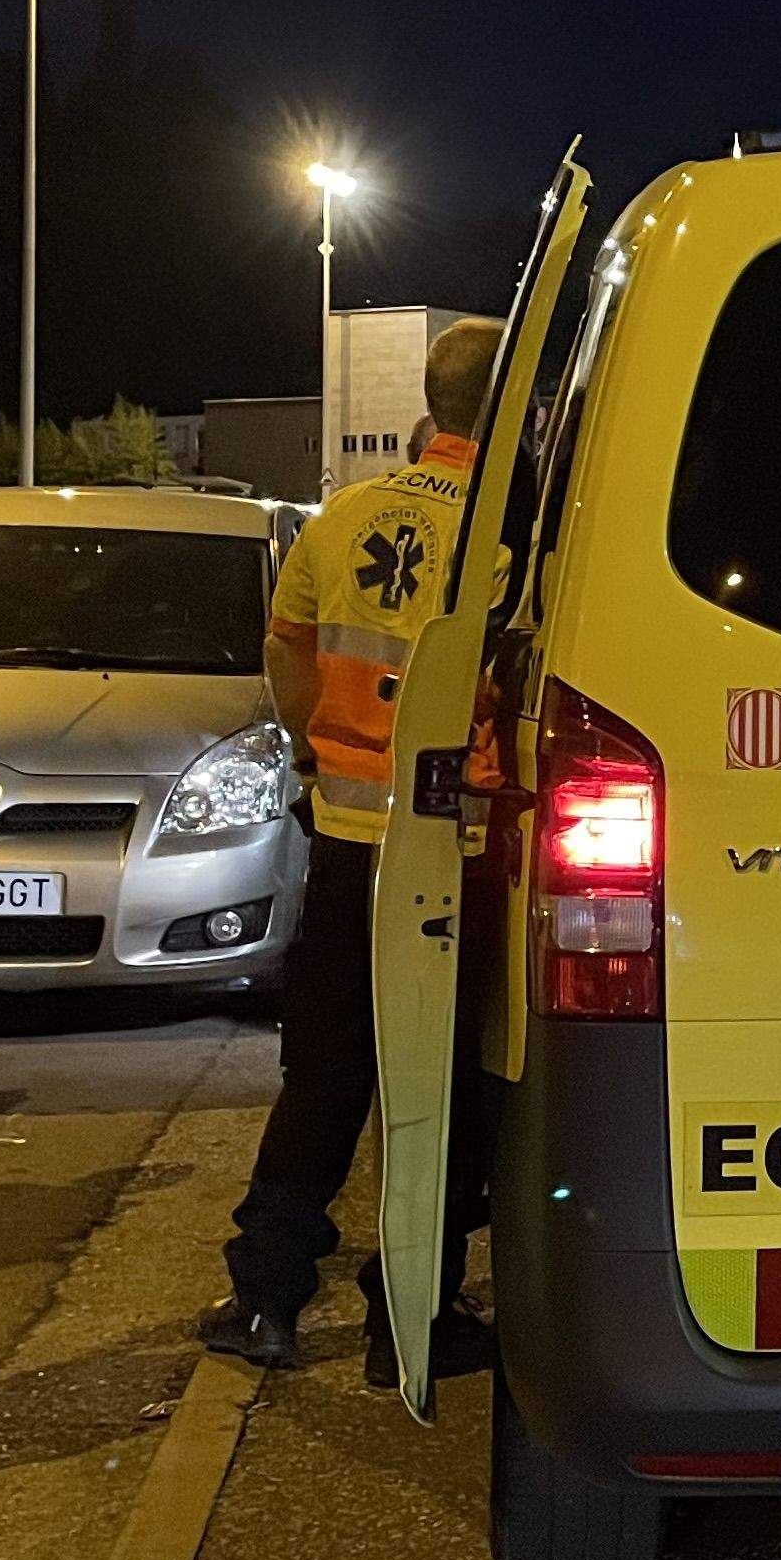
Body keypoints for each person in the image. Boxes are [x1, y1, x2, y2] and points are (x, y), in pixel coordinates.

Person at [202, 315, 503, 1384]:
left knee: (325, 1075)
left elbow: (286, 657)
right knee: (449, 1084)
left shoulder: (338, 522)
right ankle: (411, 1316)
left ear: (429, 402)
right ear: (512, 402)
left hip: (346, 842)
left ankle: (266, 1300)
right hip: (459, 857)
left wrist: (322, 758)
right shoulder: (516, 533)